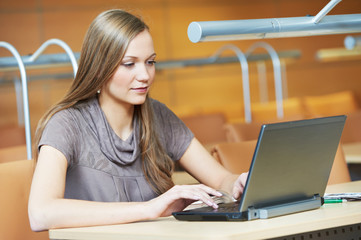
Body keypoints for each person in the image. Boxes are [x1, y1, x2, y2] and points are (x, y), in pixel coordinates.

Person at [28, 9, 248, 232]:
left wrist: (238, 182)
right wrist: (149, 208)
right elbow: (40, 213)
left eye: (150, 62)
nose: (145, 75)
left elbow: (221, 180)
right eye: (129, 63)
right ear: (98, 69)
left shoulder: (158, 115)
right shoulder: (66, 124)